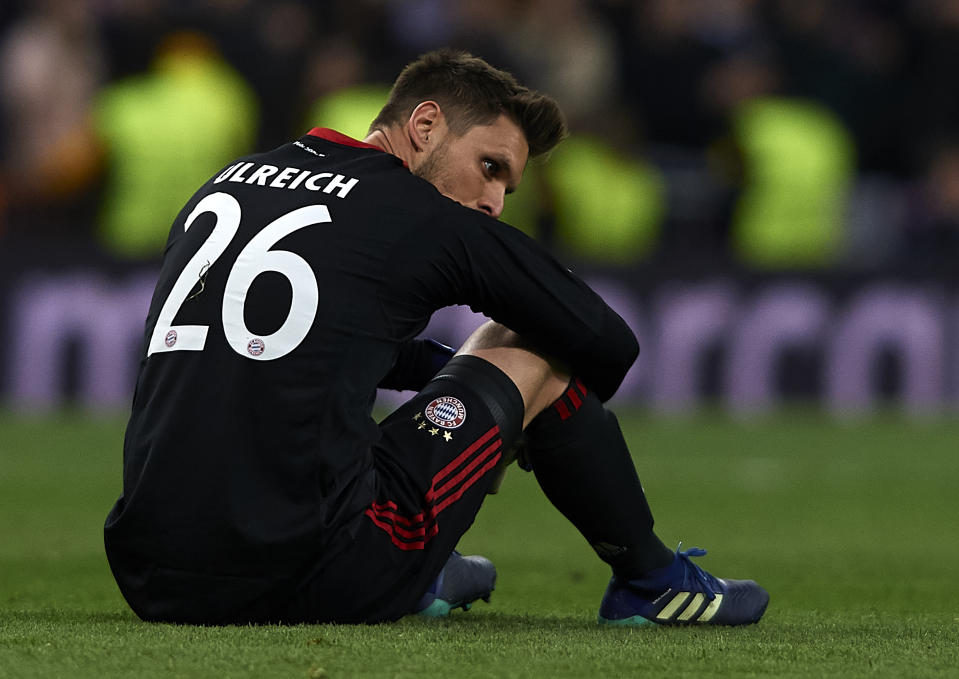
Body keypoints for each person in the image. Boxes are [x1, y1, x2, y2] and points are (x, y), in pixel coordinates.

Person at [104, 49, 768, 626]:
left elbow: (302, 342)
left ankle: (428, 574)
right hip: (307, 572)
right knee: (530, 343)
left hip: (150, 573)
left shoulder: (227, 180)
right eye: (489, 166)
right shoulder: (418, 215)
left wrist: (448, 373)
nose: (494, 203)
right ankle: (652, 580)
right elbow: (605, 339)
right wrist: (513, 414)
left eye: (506, 185)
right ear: (424, 126)